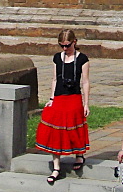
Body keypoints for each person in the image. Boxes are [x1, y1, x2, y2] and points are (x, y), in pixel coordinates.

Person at [35, 29, 90, 183]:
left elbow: (85, 82)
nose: (65, 49)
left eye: (67, 45)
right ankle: (56, 167)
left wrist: (86, 103)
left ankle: (79, 154)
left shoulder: (82, 59)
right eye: (62, 46)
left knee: (74, 126)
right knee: (55, 128)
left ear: (75, 42)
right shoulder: (57, 58)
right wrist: (51, 98)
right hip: (59, 96)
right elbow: (54, 79)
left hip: (74, 97)